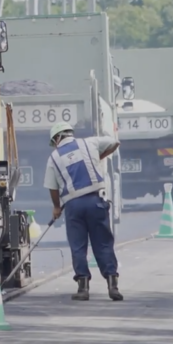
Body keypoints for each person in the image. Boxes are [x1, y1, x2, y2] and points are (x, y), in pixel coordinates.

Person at [44, 122, 123, 301]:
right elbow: (114, 143)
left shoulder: (54, 157)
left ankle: (83, 288)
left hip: (73, 206)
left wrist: (56, 207)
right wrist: (98, 157)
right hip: (96, 201)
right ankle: (113, 284)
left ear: (57, 138)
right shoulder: (90, 143)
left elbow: (52, 187)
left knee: (78, 246)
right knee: (103, 243)